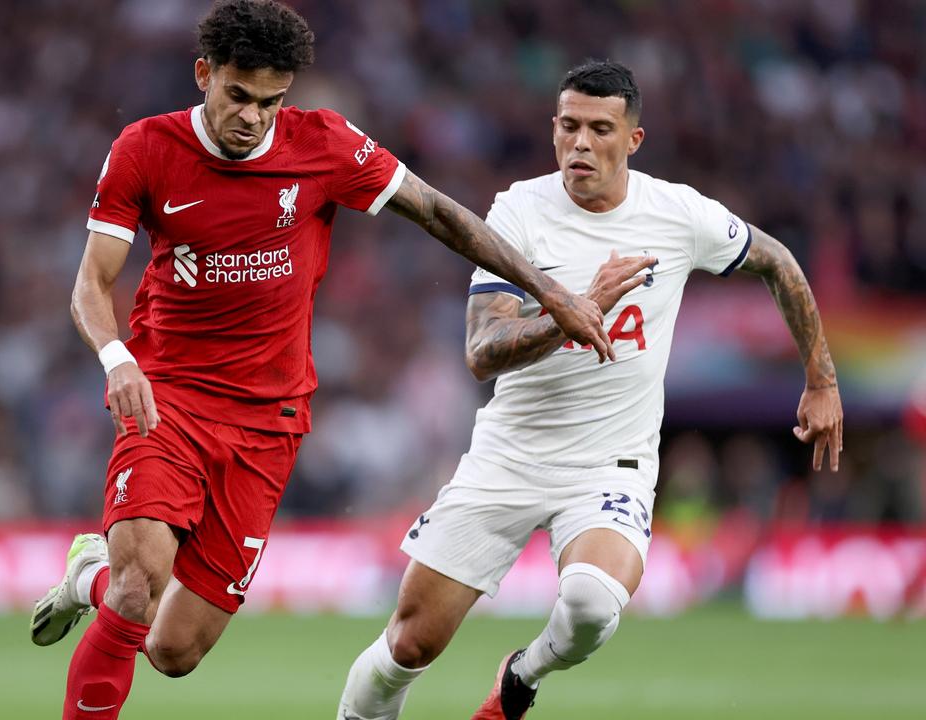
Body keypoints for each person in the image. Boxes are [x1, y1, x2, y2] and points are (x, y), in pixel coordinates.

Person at [26, 3, 621, 719]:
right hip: (167, 398)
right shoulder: (145, 149)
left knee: (173, 650)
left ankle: (85, 572)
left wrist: (548, 291)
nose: (251, 117)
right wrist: (116, 357)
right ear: (204, 75)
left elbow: (438, 213)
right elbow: (91, 282)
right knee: (135, 589)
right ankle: (109, 578)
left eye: (270, 102)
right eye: (237, 96)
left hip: (268, 422)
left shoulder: (324, 145)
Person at [335, 59, 844, 720]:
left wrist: (821, 379)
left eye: (600, 129)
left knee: (591, 604)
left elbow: (777, 261)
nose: (580, 142)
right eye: (568, 126)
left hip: (612, 462)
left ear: (632, 139)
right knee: (411, 641)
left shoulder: (678, 214)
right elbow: (481, 354)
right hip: (510, 455)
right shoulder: (519, 212)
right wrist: (574, 309)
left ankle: (524, 673)